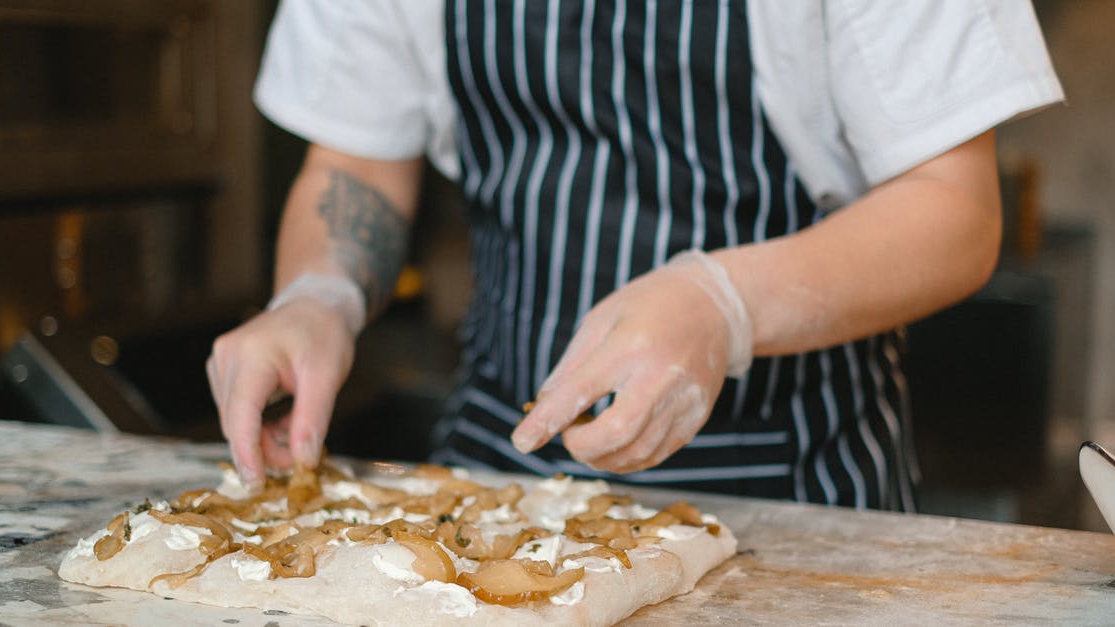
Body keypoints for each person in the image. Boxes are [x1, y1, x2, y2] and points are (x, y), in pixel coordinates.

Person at [206, 0, 1063, 511]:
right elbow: (356, 159)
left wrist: (725, 301)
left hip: (793, 489)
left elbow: (954, 209)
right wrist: (319, 296)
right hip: (494, 478)